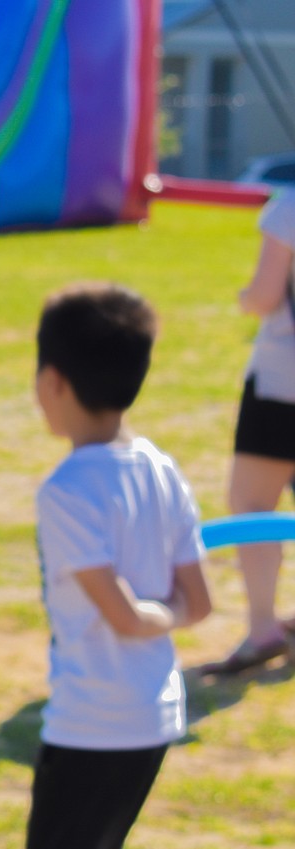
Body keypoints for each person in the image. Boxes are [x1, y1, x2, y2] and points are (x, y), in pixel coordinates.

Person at [0, 285, 274, 849]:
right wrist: (162, 611)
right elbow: (199, 601)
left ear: (53, 383)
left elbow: (119, 611)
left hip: (94, 721)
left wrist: (147, 613)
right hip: (150, 713)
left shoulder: (69, 489)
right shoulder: (160, 468)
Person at [206, 190, 295, 674]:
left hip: (284, 384)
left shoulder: (289, 207)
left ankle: (263, 629)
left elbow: (264, 295)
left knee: (253, 505)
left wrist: (243, 299)